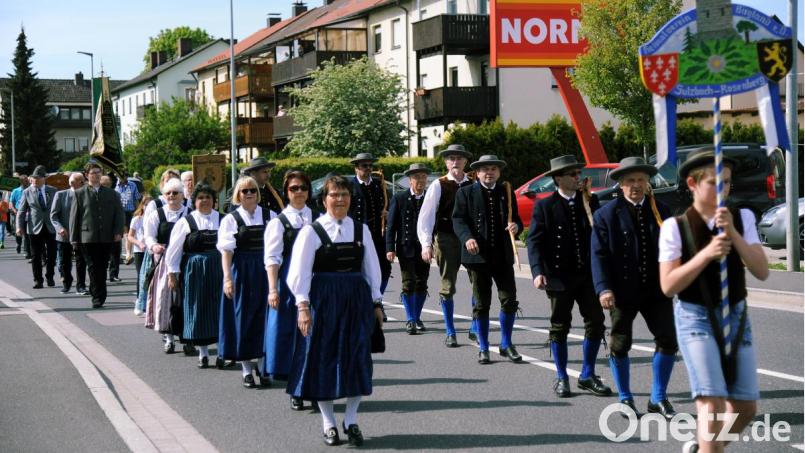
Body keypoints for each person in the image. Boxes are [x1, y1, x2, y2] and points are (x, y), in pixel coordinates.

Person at [659, 149, 768, 453]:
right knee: (712, 402)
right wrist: (706, 254)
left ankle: (705, 447)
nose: (723, 190)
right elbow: (668, 286)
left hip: (736, 315)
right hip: (695, 316)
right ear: (692, 184)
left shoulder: (742, 217)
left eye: (728, 182)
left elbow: (762, 271)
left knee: (745, 407)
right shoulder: (675, 226)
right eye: (714, 183)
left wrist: (733, 233)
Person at [286, 175, 382, 446]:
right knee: (324, 360)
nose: (340, 199)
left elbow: (371, 268)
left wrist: (376, 303)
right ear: (324, 199)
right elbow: (299, 273)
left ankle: (351, 419)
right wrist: (302, 306)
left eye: (344, 195)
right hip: (324, 301)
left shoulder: (361, 230)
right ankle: (328, 422)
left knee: (357, 358)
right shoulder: (311, 232)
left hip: (356, 301)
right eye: (334, 195)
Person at [590, 157, 677, 418]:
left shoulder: (662, 211)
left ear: (648, 182)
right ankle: (625, 398)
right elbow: (598, 255)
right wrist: (604, 288)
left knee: (668, 340)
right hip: (621, 291)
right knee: (619, 344)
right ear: (620, 184)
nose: (636, 185)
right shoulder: (605, 214)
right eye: (630, 180)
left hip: (656, 289)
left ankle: (658, 397)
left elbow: (675, 250)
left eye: (641, 180)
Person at [526, 155, 611, 398]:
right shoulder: (545, 205)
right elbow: (534, 241)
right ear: (558, 178)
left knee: (596, 322)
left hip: (588, 274)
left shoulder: (590, 200)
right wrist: (537, 271)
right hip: (558, 276)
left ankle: (587, 374)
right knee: (560, 326)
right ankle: (562, 376)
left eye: (578, 173)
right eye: (572, 174)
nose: (578, 177)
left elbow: (601, 233)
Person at [452, 155, 523, 364]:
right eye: (485, 169)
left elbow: (516, 219)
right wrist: (467, 238)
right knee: (482, 304)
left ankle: (506, 344)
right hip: (478, 257)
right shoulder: (465, 192)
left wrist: (516, 227)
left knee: (509, 300)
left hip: (502, 256)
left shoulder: (506, 192)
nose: (489, 173)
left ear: (498, 172)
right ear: (477, 173)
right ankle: (483, 347)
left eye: (493, 169)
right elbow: (458, 220)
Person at [417, 144, 478, 347]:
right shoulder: (439, 185)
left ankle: (475, 326)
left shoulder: (473, 183)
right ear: (446, 162)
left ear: (465, 161)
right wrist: (426, 244)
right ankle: (450, 331)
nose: (455, 162)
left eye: (459, 158)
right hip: (446, 238)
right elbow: (426, 217)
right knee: (447, 285)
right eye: (451, 158)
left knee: (478, 282)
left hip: (470, 239)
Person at [263, 170, 314, 408]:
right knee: (292, 337)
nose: (299, 192)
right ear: (286, 192)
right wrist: (273, 289)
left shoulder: (318, 217)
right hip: (289, 282)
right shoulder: (279, 222)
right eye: (294, 188)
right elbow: (272, 258)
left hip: (316, 281)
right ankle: (296, 389)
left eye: (303, 187)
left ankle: (313, 386)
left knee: (314, 336)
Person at [217, 176, 274, 387]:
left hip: (265, 271)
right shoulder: (231, 220)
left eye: (253, 190)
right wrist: (227, 278)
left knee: (264, 319)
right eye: (244, 191)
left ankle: (263, 367)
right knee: (243, 319)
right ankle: (246, 369)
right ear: (237, 195)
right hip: (242, 272)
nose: (249, 194)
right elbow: (226, 252)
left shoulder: (270, 216)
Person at [165, 183, 222, 368]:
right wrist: (172, 275)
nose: (204, 201)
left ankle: (222, 352)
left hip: (219, 269)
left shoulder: (224, 219)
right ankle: (203, 353)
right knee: (198, 309)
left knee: (220, 309)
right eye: (200, 198)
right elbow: (174, 251)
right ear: (194, 201)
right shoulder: (186, 222)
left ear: (214, 200)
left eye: (208, 197)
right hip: (194, 271)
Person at [143, 178, 190, 353]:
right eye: (168, 193)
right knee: (166, 298)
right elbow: (149, 235)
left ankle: (188, 338)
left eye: (175, 193)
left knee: (186, 299)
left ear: (182, 195)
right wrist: (154, 245)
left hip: (186, 260)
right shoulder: (157, 214)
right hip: (164, 261)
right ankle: (169, 338)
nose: (171, 196)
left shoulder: (189, 213)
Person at [70, 161, 125, 308]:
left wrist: (118, 231)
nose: (96, 175)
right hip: (87, 237)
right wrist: (74, 238)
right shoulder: (79, 193)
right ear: (86, 175)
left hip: (107, 236)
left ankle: (98, 290)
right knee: (93, 266)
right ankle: (97, 296)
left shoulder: (112, 193)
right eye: (93, 173)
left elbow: (119, 214)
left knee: (103, 266)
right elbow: (75, 217)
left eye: (99, 172)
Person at [386, 163, 431, 335]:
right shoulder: (400, 198)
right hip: (406, 247)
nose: (420, 180)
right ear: (410, 180)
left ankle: (417, 317)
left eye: (423, 177)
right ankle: (410, 319)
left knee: (422, 283)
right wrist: (390, 248)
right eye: (416, 177)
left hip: (425, 247)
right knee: (408, 283)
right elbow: (391, 226)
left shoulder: (430, 198)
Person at [138, 171, 181, 313]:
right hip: (159, 253)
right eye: (167, 180)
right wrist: (153, 246)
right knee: (157, 287)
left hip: (181, 254)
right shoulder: (155, 205)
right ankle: (143, 304)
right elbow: (147, 229)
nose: (172, 195)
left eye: (174, 180)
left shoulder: (187, 206)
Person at [348, 153, 391, 298]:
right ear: (356, 168)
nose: (368, 168)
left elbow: (389, 204)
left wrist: (387, 213)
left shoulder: (379, 184)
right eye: (364, 166)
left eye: (370, 165)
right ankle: (365, 299)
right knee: (362, 270)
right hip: (358, 236)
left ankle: (378, 299)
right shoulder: (350, 186)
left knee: (385, 269)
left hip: (379, 235)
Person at [16, 165, 58, 289]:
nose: (35, 180)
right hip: (34, 227)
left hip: (51, 226)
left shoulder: (53, 190)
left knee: (52, 254)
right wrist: (19, 227)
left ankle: (50, 276)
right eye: (33, 178)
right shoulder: (27, 192)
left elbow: (58, 209)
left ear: (44, 179)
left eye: (38, 178)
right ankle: (38, 280)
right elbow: (21, 211)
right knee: (36, 255)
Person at [50, 172, 88, 294]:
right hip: (64, 234)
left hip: (81, 234)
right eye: (81, 181)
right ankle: (66, 282)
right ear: (71, 183)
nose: (83, 183)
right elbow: (53, 215)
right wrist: (60, 228)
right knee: (64, 261)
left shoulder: (86, 195)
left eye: (83, 181)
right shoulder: (61, 195)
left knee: (81, 261)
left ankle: (81, 285)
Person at [128, 195, 152, 315]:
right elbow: (130, 236)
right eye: (146, 204)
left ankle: (149, 302)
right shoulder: (137, 219)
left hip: (151, 250)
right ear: (142, 205)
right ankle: (139, 301)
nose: (148, 207)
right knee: (141, 276)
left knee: (151, 276)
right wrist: (138, 243)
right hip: (140, 251)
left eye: (150, 205)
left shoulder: (155, 218)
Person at [115, 173, 141, 264]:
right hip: (117, 213)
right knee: (119, 234)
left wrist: (138, 212)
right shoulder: (114, 185)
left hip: (129, 212)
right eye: (121, 175)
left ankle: (128, 254)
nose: (124, 177)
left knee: (127, 234)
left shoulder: (132, 185)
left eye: (125, 175)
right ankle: (118, 255)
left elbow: (136, 199)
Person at [101, 175, 123, 283]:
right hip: (100, 230)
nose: (107, 186)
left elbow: (120, 213)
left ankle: (114, 274)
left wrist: (118, 231)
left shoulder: (116, 195)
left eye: (108, 184)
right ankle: (101, 274)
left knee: (115, 253)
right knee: (102, 254)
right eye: (104, 185)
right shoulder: (96, 195)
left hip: (113, 228)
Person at [10, 174, 31, 257]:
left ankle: (26, 251)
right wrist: (15, 211)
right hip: (18, 213)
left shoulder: (30, 190)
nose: (28, 182)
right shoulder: (15, 191)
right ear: (22, 182)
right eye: (26, 181)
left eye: (28, 180)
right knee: (18, 232)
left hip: (28, 213)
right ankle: (18, 243)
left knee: (26, 233)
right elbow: (11, 202)